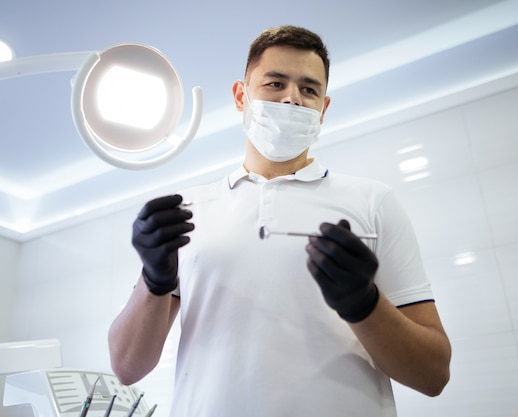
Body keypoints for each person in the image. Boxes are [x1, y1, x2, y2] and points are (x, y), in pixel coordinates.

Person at [108, 25, 451, 416]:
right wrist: (155, 281)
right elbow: (127, 367)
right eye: (275, 84)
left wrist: (365, 305)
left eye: (308, 89)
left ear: (323, 108)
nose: (291, 99)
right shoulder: (188, 211)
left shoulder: (373, 202)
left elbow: (433, 375)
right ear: (241, 96)